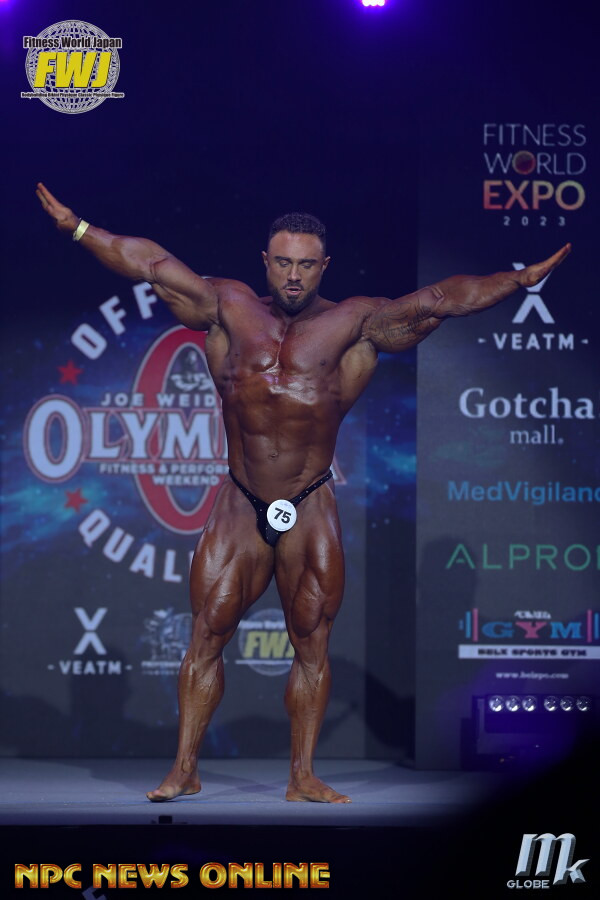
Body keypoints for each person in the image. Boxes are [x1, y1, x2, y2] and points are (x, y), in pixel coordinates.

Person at [36, 183, 570, 803]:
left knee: (312, 640)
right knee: (207, 632)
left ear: (325, 266)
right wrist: (78, 228)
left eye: (307, 264)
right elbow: (151, 263)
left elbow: (441, 300)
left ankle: (302, 777)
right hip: (241, 500)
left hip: (310, 500)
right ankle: (184, 769)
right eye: (284, 262)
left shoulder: (356, 323)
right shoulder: (228, 307)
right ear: (266, 261)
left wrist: (517, 279)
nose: (294, 276)